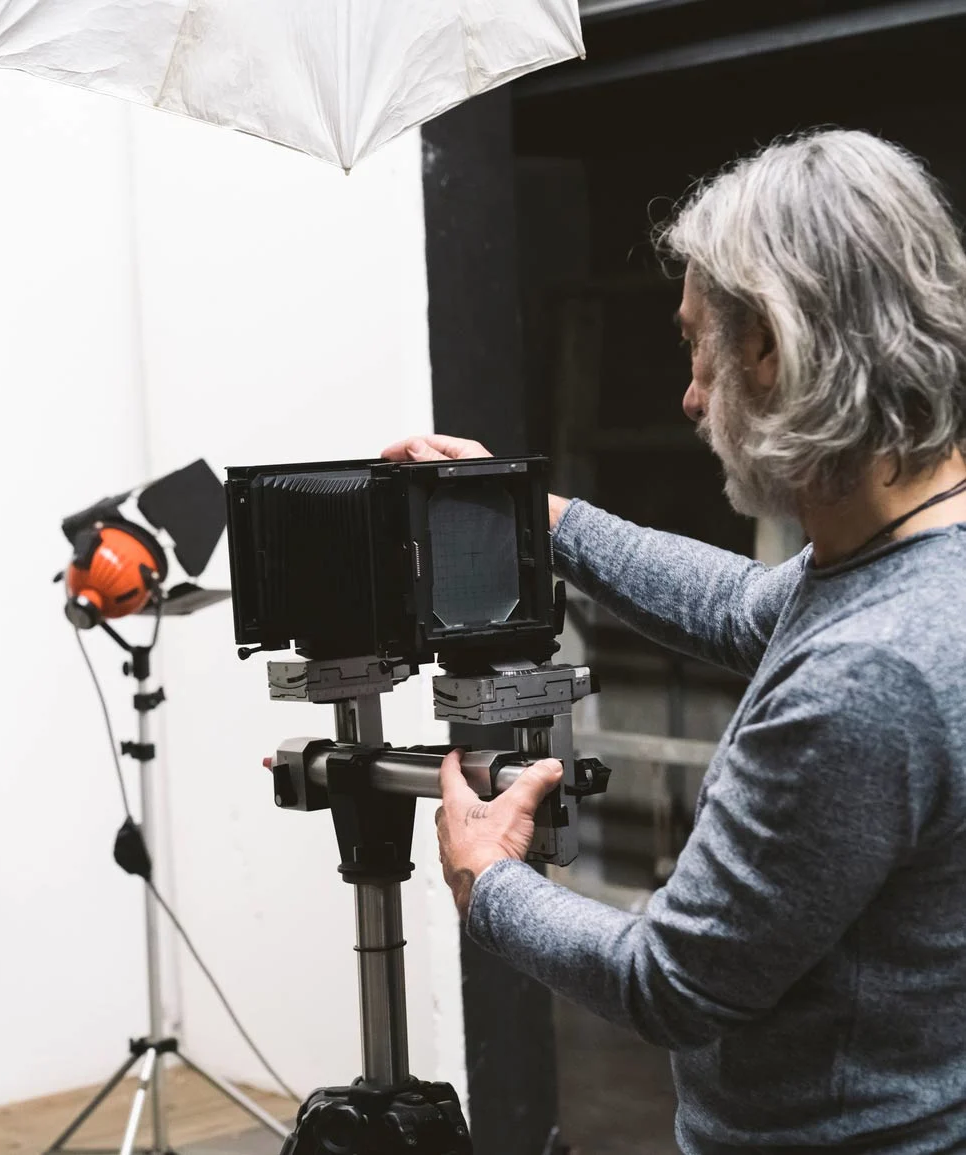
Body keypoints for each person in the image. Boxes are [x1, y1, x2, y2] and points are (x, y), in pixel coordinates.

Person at [387, 128, 966, 1154]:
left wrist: (489, 883)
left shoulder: (864, 678)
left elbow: (673, 980)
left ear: (770, 349)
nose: (690, 397)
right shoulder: (914, 556)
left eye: (697, 346)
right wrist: (538, 518)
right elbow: (748, 604)